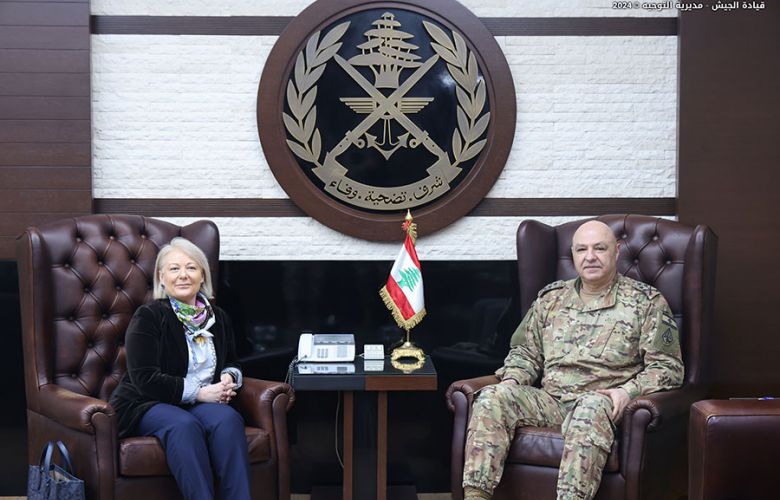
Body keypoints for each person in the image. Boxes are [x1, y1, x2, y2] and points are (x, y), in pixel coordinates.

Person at [462, 221, 684, 500]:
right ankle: (476, 496)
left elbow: (668, 367)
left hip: (603, 405)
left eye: (599, 248)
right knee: (493, 396)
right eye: (581, 249)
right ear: (573, 254)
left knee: (590, 406)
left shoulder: (646, 302)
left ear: (616, 251)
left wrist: (627, 392)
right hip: (552, 402)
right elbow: (525, 353)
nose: (590, 256)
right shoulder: (550, 299)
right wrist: (512, 381)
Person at [109, 237, 250, 500]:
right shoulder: (149, 316)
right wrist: (200, 393)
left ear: (202, 276)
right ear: (162, 278)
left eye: (191, 267)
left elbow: (232, 360)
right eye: (174, 269)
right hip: (148, 402)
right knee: (183, 425)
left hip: (201, 403)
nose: (183, 275)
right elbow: (144, 378)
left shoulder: (218, 318)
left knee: (228, 419)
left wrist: (229, 377)